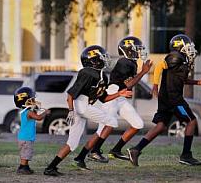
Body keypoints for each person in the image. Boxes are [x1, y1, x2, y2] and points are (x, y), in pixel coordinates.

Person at [43, 45, 133, 176]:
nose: (105, 59)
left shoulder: (103, 76)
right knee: (112, 121)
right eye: (102, 57)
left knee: (72, 144)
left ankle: (51, 167)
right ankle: (95, 151)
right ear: (94, 60)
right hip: (80, 105)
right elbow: (71, 95)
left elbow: (104, 98)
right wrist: (71, 110)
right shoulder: (87, 72)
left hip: (85, 106)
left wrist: (120, 94)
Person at [127, 34, 201, 167]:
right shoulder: (175, 56)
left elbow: (181, 79)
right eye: (188, 46)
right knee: (191, 121)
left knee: (161, 126)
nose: (190, 49)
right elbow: (159, 66)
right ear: (180, 47)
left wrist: (197, 82)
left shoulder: (181, 60)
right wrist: (154, 85)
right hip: (174, 99)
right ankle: (186, 155)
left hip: (167, 98)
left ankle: (135, 150)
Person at [88, 36, 153, 162]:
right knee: (105, 127)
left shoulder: (131, 63)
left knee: (138, 124)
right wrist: (143, 72)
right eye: (137, 49)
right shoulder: (124, 62)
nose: (139, 52)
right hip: (112, 95)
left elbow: (128, 84)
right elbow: (129, 84)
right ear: (129, 50)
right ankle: (93, 152)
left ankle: (116, 150)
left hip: (120, 97)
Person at [14, 86, 49, 175]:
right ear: (25, 101)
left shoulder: (26, 111)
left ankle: (25, 167)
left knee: (26, 153)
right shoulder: (28, 112)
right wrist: (45, 113)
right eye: (32, 100)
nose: (34, 101)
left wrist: (35, 109)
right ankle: (22, 167)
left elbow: (34, 115)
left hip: (25, 137)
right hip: (26, 137)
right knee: (26, 153)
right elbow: (39, 118)